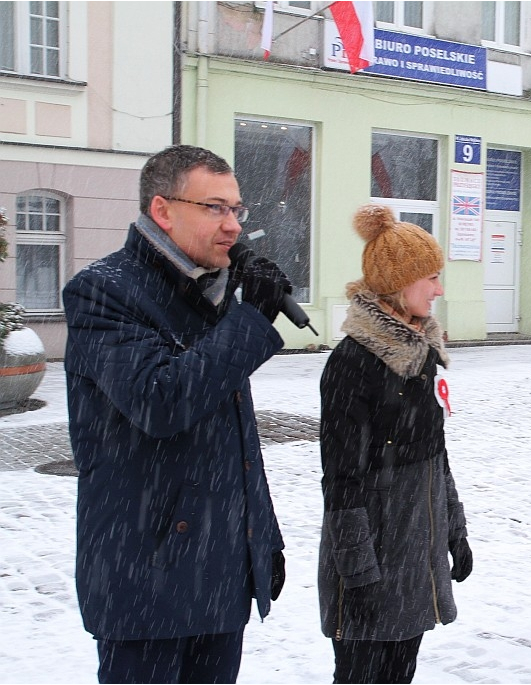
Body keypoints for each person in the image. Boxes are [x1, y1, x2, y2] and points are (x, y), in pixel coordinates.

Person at [63, 145, 290, 683]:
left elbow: (233, 439)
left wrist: (261, 537)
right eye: (215, 207)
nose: (232, 225)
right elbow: (161, 402)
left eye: (237, 209)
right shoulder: (104, 292)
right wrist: (250, 318)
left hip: (219, 574)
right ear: (162, 210)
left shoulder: (211, 295)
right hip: (146, 580)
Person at [319, 204, 473, 684]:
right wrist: (357, 571)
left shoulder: (419, 354)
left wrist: (454, 530)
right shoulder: (353, 363)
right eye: (430, 277)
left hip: (413, 561)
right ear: (398, 283)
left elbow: (435, 458)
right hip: (372, 561)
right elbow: (341, 479)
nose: (439, 289)